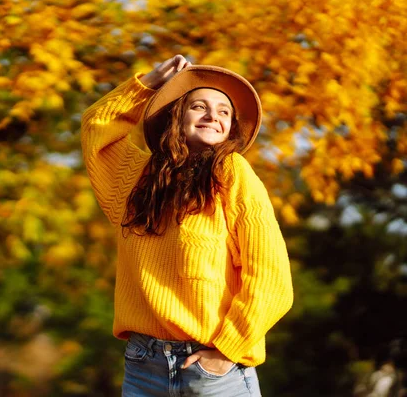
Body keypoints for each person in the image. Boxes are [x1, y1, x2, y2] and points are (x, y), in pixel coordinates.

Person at [81, 55, 294, 396]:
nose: (213, 116)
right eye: (199, 106)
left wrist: (226, 351)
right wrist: (148, 82)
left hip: (213, 373)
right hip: (143, 366)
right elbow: (96, 128)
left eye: (224, 111)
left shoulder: (232, 173)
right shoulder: (135, 180)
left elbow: (270, 278)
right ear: (177, 117)